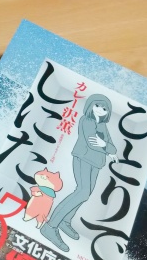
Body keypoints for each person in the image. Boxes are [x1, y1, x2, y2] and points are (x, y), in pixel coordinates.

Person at [40, 94, 118, 252]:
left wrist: (105, 146)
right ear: (90, 105)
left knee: (85, 194)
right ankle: (50, 226)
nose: (100, 110)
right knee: (81, 192)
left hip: (97, 163)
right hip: (83, 158)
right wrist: (106, 147)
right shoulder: (86, 121)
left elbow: (113, 147)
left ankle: (65, 221)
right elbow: (92, 143)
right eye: (97, 106)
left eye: (104, 108)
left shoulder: (103, 125)